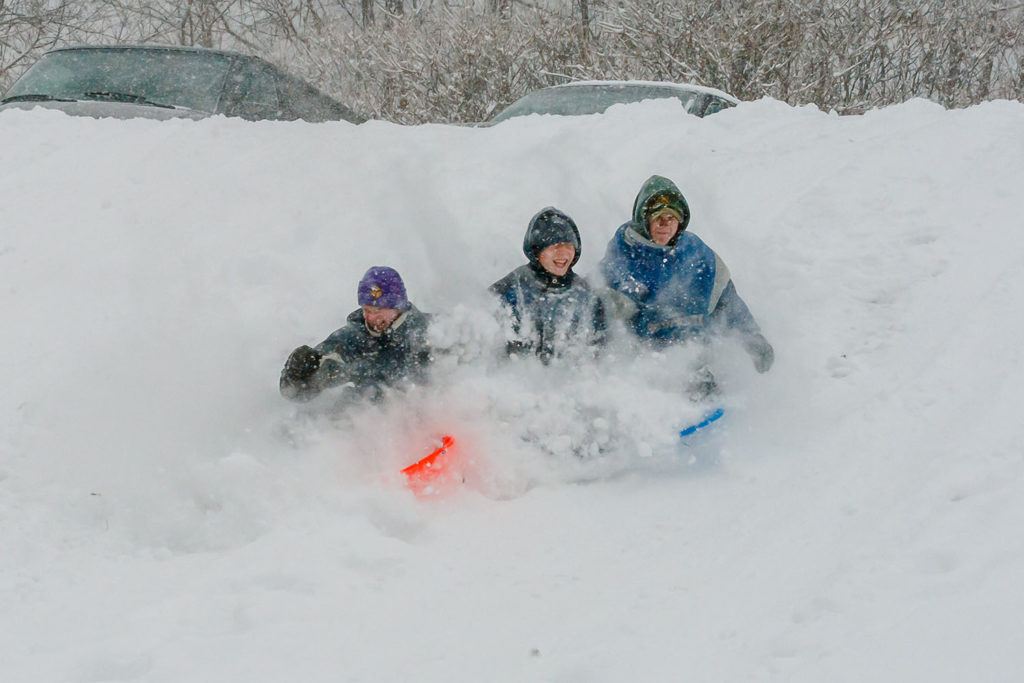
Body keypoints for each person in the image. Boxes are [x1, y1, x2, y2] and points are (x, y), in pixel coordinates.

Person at [599, 175, 774, 394]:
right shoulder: (624, 255)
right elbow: (599, 308)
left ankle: (704, 389)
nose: (665, 224)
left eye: (671, 218)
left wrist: (751, 336)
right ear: (644, 220)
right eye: (658, 218)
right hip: (648, 359)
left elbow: (726, 300)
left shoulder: (697, 254)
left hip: (697, 352)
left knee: (700, 372)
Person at [280, 266, 432, 402]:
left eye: (378, 310)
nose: (371, 317)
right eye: (366, 310)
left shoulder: (432, 332)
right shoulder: (352, 341)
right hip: (370, 423)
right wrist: (297, 376)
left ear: (398, 306)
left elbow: (453, 375)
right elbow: (300, 391)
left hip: (427, 421)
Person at [489, 207, 606, 364]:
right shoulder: (511, 288)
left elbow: (598, 351)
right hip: (518, 381)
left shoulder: (586, 295)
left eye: (568, 245)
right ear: (537, 250)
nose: (563, 253)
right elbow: (486, 329)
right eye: (554, 245)